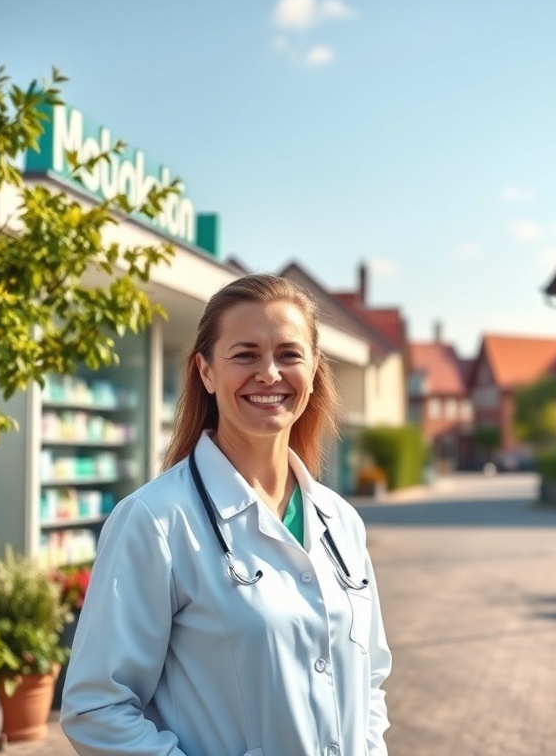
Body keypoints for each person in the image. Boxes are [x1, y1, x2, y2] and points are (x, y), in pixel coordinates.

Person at [61, 273, 392, 756]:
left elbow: (371, 681)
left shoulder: (341, 522)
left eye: (289, 354)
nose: (270, 374)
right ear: (206, 371)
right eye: (245, 355)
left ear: (315, 369)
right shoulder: (155, 521)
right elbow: (97, 709)